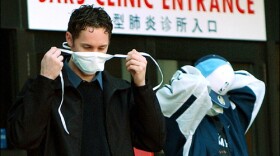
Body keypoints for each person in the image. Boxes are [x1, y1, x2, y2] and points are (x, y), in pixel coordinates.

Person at [7, 5, 166, 156]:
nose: (95, 54)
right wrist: (45, 81)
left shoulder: (121, 92)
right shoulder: (46, 88)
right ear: (69, 39)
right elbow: (22, 138)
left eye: (102, 48)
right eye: (87, 47)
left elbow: (154, 141)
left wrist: (141, 86)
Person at [156, 54, 265, 156]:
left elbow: (255, 85)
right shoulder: (185, 121)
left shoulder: (229, 114)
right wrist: (209, 83)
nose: (215, 106)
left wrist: (225, 78)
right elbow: (193, 85)